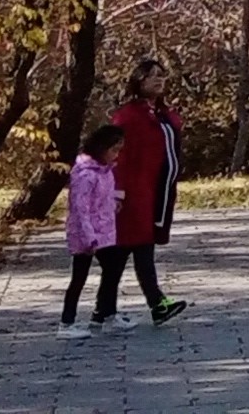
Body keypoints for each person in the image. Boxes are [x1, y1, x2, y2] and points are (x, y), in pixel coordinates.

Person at [110, 57, 189, 323]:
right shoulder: (127, 116)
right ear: (138, 80)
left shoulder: (164, 114)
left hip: (160, 192)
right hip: (135, 193)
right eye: (151, 75)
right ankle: (155, 304)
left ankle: (108, 309)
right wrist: (117, 191)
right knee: (136, 248)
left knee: (131, 251)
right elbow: (117, 156)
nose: (158, 79)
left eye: (162, 75)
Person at [58, 122, 126, 335]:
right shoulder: (85, 175)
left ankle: (104, 314)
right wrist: (89, 238)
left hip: (104, 232)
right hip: (87, 236)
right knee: (79, 278)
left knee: (113, 270)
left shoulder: (105, 172)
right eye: (114, 150)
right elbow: (80, 209)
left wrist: (114, 201)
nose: (116, 155)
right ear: (101, 148)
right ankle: (67, 323)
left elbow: (102, 197)